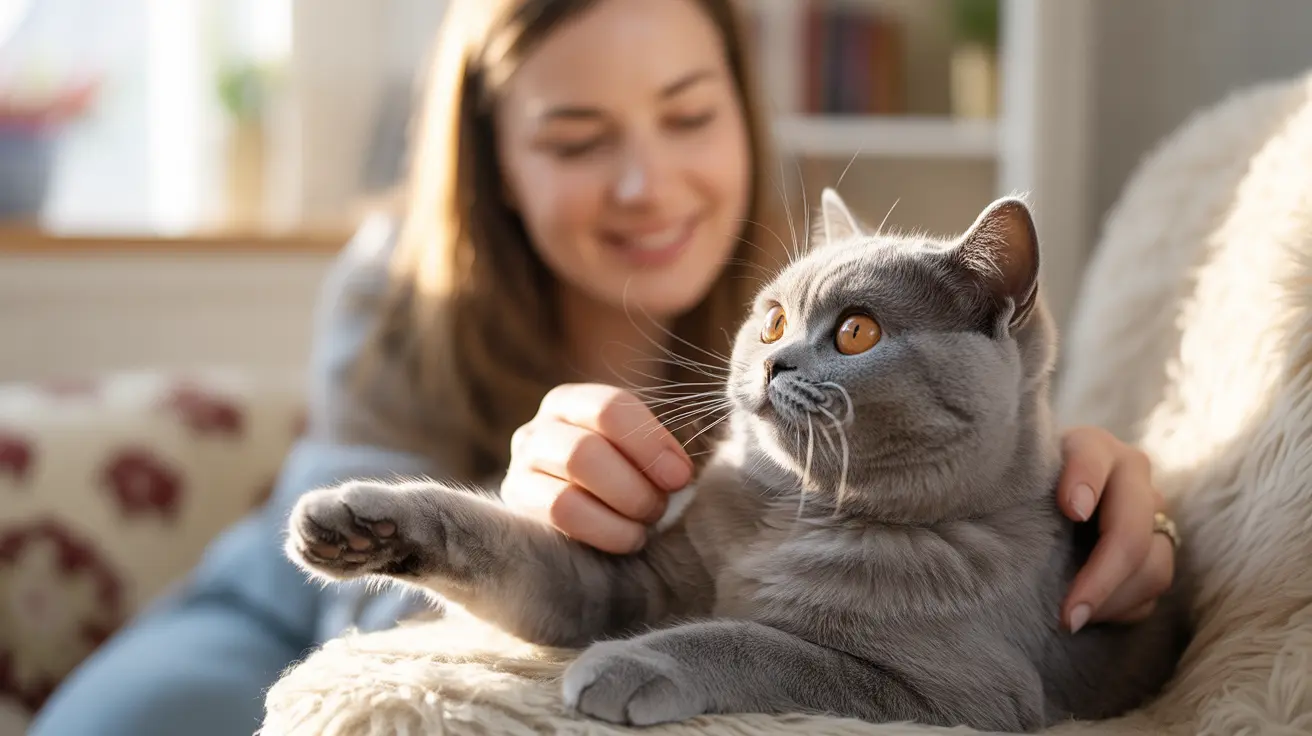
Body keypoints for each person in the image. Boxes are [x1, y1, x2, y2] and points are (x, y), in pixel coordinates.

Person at [30, 0, 1178, 733]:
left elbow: (973, 445)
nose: (647, 183)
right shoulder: (401, 282)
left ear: (742, 109)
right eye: (578, 139)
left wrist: (1088, 481)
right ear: (495, 164)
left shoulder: (803, 290)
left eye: (686, 114)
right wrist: (519, 526)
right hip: (279, 608)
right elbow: (367, 640)